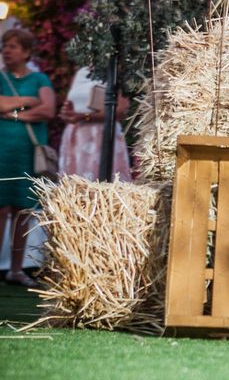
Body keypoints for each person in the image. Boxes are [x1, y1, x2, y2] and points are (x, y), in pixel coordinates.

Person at [0, 29, 55, 287]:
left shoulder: (40, 78)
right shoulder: (1, 77)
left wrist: (14, 113)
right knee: (0, 209)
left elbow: (48, 108)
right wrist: (28, 101)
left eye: (12, 46)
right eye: (4, 46)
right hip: (2, 150)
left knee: (22, 211)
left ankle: (16, 269)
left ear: (26, 51)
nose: (6, 51)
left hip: (27, 153)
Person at [58, 66, 131, 181]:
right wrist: (67, 112)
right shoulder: (81, 72)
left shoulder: (114, 70)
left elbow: (121, 110)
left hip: (102, 134)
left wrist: (85, 116)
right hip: (77, 136)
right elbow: (72, 102)